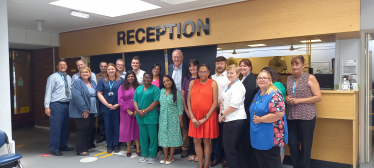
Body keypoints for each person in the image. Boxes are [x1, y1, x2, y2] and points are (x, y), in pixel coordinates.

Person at [286, 55, 321, 168]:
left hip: (307, 116)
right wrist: (287, 98)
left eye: (297, 64)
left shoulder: (310, 78)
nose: (294, 67)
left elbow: (318, 97)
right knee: (293, 144)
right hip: (292, 116)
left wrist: (298, 101)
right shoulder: (289, 78)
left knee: (306, 146)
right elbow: (290, 94)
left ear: (303, 65)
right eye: (293, 64)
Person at [250, 71, 287, 168]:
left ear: (270, 80)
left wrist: (261, 119)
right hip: (258, 134)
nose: (261, 80)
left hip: (271, 136)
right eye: (259, 78)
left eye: (264, 78)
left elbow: (279, 113)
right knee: (262, 163)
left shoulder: (275, 94)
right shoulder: (258, 94)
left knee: (272, 163)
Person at [188, 64, 219, 168]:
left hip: (208, 116)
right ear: (197, 72)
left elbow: (215, 103)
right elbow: (188, 100)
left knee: (206, 141)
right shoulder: (192, 82)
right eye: (200, 72)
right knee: (196, 140)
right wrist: (192, 117)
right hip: (195, 116)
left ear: (209, 72)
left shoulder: (213, 83)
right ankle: (200, 164)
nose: (203, 74)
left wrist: (205, 118)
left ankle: (206, 165)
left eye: (205, 72)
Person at [218, 64, 247, 168]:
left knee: (230, 149)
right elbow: (221, 100)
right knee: (233, 148)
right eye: (228, 73)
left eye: (232, 73)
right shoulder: (228, 85)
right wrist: (221, 113)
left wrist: (222, 114)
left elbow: (234, 106)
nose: (229, 75)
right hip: (228, 118)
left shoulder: (239, 86)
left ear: (238, 74)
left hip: (235, 120)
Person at [44, 61, 74, 156]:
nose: (62, 66)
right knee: (56, 128)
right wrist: (46, 106)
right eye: (60, 65)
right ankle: (54, 148)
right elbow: (48, 92)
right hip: (56, 104)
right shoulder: (52, 77)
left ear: (67, 66)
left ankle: (63, 145)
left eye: (64, 65)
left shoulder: (69, 77)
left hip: (67, 104)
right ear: (57, 66)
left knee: (66, 127)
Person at [69, 67, 98, 156]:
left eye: (87, 72)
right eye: (83, 72)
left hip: (92, 110)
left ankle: (88, 146)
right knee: (83, 129)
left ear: (90, 73)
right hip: (81, 111)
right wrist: (84, 109)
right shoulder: (77, 82)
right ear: (80, 74)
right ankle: (81, 150)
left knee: (89, 129)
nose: (85, 73)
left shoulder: (92, 82)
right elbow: (77, 97)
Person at [133, 72, 161, 164]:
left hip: (151, 116)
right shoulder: (138, 88)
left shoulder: (155, 89)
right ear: (143, 78)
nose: (146, 79)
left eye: (149, 78)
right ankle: (144, 154)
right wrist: (138, 110)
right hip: (140, 116)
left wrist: (145, 111)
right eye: (145, 78)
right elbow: (135, 100)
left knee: (152, 137)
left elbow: (156, 102)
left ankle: (153, 155)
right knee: (143, 136)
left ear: (152, 79)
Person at [261, 67, 287, 163]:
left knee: (278, 146)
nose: (262, 79)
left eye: (265, 76)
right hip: (268, 120)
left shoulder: (276, 86)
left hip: (277, 119)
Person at [96, 63, 124, 153]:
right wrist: (107, 104)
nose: (111, 71)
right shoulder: (102, 80)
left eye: (112, 69)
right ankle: (109, 145)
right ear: (106, 71)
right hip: (106, 108)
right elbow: (99, 93)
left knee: (116, 126)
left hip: (117, 107)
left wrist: (119, 104)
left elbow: (124, 94)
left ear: (115, 70)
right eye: (109, 69)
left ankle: (116, 144)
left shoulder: (121, 80)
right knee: (107, 127)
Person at [168, 49, 189, 157]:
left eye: (178, 57)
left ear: (182, 58)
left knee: (183, 124)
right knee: (174, 124)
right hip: (172, 100)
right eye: (174, 57)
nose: (176, 59)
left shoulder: (186, 68)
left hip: (183, 100)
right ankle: (176, 146)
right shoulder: (170, 67)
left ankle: (185, 147)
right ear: (172, 58)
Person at [158, 75, 184, 165]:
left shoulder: (177, 93)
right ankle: (165, 156)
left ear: (171, 81)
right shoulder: (161, 92)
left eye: (168, 80)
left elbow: (180, 108)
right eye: (164, 82)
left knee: (171, 138)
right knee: (163, 137)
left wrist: (180, 121)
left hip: (173, 118)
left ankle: (171, 156)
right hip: (162, 118)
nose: (166, 83)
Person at [239, 58, 259, 168]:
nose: (242, 68)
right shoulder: (243, 77)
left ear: (250, 67)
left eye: (245, 66)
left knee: (247, 140)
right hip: (243, 113)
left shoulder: (251, 79)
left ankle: (248, 164)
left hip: (247, 113)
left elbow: (247, 96)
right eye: (241, 66)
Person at [211, 56, 230, 167]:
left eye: (221, 63)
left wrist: (221, 103)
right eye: (217, 63)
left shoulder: (229, 77)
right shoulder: (212, 77)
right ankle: (216, 157)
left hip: (226, 110)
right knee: (215, 135)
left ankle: (226, 158)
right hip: (213, 110)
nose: (219, 65)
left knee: (226, 135)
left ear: (225, 64)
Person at [118, 71, 141, 157]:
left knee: (137, 130)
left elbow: (140, 98)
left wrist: (136, 110)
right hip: (125, 112)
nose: (130, 78)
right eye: (128, 76)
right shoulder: (122, 87)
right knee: (127, 130)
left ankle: (138, 149)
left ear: (134, 77)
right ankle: (129, 149)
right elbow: (120, 100)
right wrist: (128, 110)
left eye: (132, 76)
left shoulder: (138, 87)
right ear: (126, 78)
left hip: (136, 111)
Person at [182, 59, 199, 162]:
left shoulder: (201, 79)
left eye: (194, 66)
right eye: (190, 66)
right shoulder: (186, 79)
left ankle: (199, 153)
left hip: (199, 112)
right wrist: (186, 110)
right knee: (191, 133)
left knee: (199, 133)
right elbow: (183, 96)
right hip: (189, 112)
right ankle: (193, 152)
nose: (192, 68)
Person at [96, 61, 107, 143]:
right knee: (100, 120)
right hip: (99, 100)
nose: (103, 68)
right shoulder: (95, 76)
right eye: (102, 66)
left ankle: (109, 135)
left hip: (110, 100)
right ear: (99, 67)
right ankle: (102, 136)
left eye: (105, 66)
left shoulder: (111, 75)